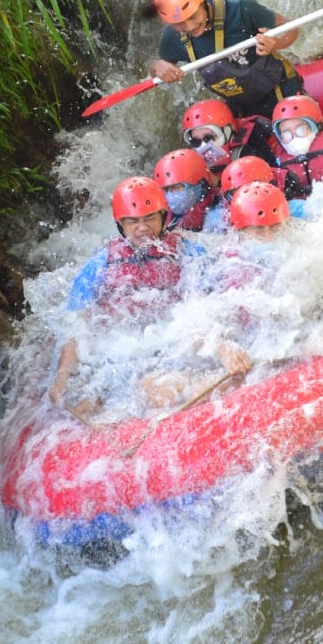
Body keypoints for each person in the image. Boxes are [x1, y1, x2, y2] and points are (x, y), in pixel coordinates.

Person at [49, 176, 249, 410]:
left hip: (174, 342)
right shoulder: (99, 264)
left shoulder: (188, 253)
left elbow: (203, 308)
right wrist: (63, 375)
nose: (142, 227)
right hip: (120, 351)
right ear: (121, 224)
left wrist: (222, 346)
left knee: (165, 394)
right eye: (133, 221)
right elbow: (77, 326)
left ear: (163, 217)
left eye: (150, 218)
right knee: (87, 404)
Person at [149, 0, 304, 118]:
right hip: (242, 110)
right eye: (179, 23)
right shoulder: (172, 37)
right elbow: (156, 70)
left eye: (193, 16)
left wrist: (277, 43)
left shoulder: (242, 9)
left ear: (201, 1)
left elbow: (291, 27)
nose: (189, 27)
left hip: (283, 94)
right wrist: (158, 67)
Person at [181, 97, 277, 174]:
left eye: (209, 138)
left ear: (227, 132)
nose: (204, 146)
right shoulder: (192, 166)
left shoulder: (250, 156)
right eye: (196, 141)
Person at [152, 148, 220, 232]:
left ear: (200, 184)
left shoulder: (218, 217)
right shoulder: (161, 219)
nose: (170, 196)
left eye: (177, 187)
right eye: (166, 189)